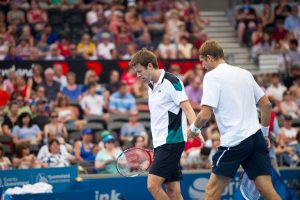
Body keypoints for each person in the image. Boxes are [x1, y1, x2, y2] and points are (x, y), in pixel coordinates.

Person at [188, 40, 280, 200]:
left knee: (211, 192)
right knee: (268, 192)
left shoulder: (211, 76)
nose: (202, 66)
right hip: (256, 139)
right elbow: (266, 105)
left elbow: (204, 114)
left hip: (235, 141)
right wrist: (264, 134)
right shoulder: (245, 73)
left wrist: (193, 130)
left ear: (209, 57)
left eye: (202, 61)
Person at [130, 49, 199, 200]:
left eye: (139, 71)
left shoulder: (171, 81)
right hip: (161, 143)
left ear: (149, 66)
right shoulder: (151, 86)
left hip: (172, 141)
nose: (138, 75)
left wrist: (196, 128)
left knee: (152, 185)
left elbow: (187, 107)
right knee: (173, 191)